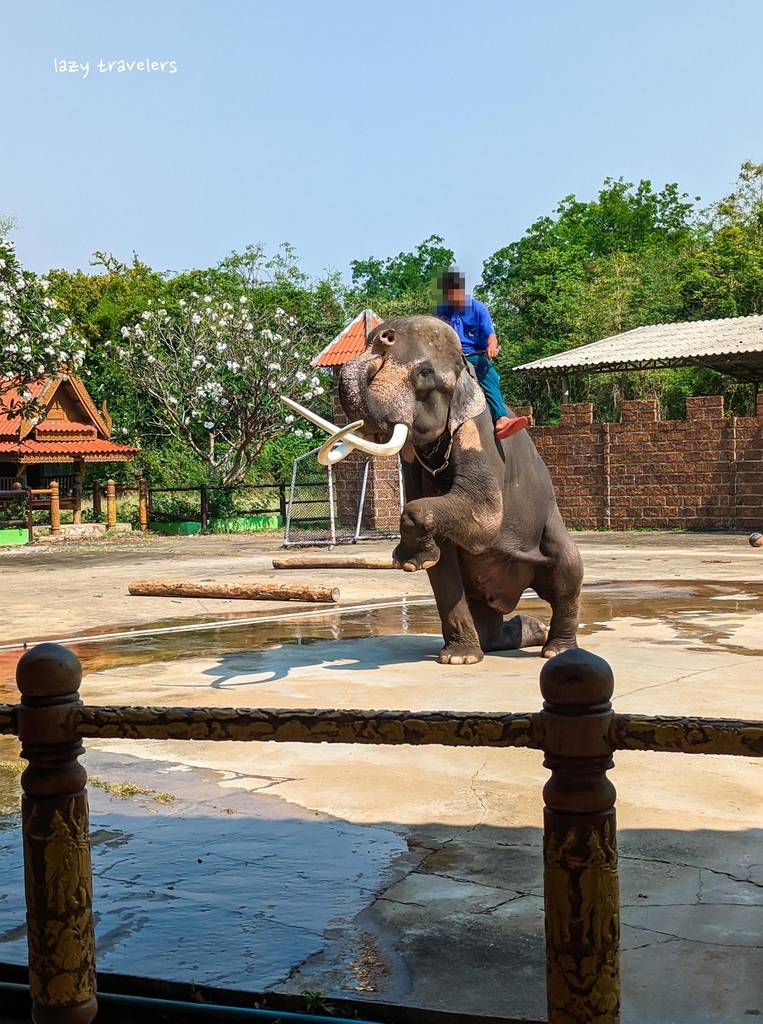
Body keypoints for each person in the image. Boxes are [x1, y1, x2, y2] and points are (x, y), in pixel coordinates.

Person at [435, 268, 528, 440]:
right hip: (447, 358)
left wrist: (492, 346)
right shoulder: (441, 311)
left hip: (473, 356)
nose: (451, 297)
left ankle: (500, 419)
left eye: (453, 292)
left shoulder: (477, 308)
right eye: (447, 293)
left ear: (461, 290)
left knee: (490, 375)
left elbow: (490, 335)